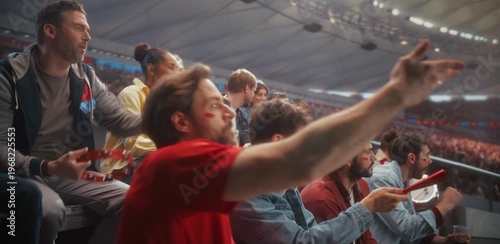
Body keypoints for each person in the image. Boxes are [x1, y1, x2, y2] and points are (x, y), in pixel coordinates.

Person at [116, 40, 464, 244]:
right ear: (181, 122)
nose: (229, 109)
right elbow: (299, 161)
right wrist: (395, 95)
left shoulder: (206, 180)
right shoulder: (171, 165)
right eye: (215, 104)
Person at [0, 0, 141, 243]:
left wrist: (162, 114)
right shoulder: (9, 75)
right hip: (23, 174)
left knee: (135, 201)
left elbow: (119, 121)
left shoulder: (85, 75)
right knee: (49, 209)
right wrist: (47, 166)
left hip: (69, 173)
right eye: (79, 28)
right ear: (50, 31)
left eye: (87, 30)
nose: (87, 37)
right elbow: (2, 148)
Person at [230, 100, 403, 244]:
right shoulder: (246, 193)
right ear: (278, 142)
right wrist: (367, 207)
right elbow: (303, 241)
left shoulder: (283, 180)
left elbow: (311, 229)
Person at [101, 43, 183, 183]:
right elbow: (134, 145)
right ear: (151, 68)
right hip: (122, 171)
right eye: (171, 67)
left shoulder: (168, 104)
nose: (177, 73)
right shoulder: (131, 94)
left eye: (178, 69)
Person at [365, 132, 466, 243]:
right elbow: (406, 229)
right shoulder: (384, 179)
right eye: (426, 155)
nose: (430, 161)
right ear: (412, 158)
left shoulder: (403, 180)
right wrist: (445, 205)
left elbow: (409, 232)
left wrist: (443, 241)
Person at [300, 143, 378, 244]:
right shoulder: (321, 198)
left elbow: (366, 237)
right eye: (368, 152)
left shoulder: (361, 185)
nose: (374, 157)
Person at [224, 68, 257, 145]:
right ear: (247, 89)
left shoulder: (239, 114)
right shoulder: (218, 111)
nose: (253, 95)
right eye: (254, 91)